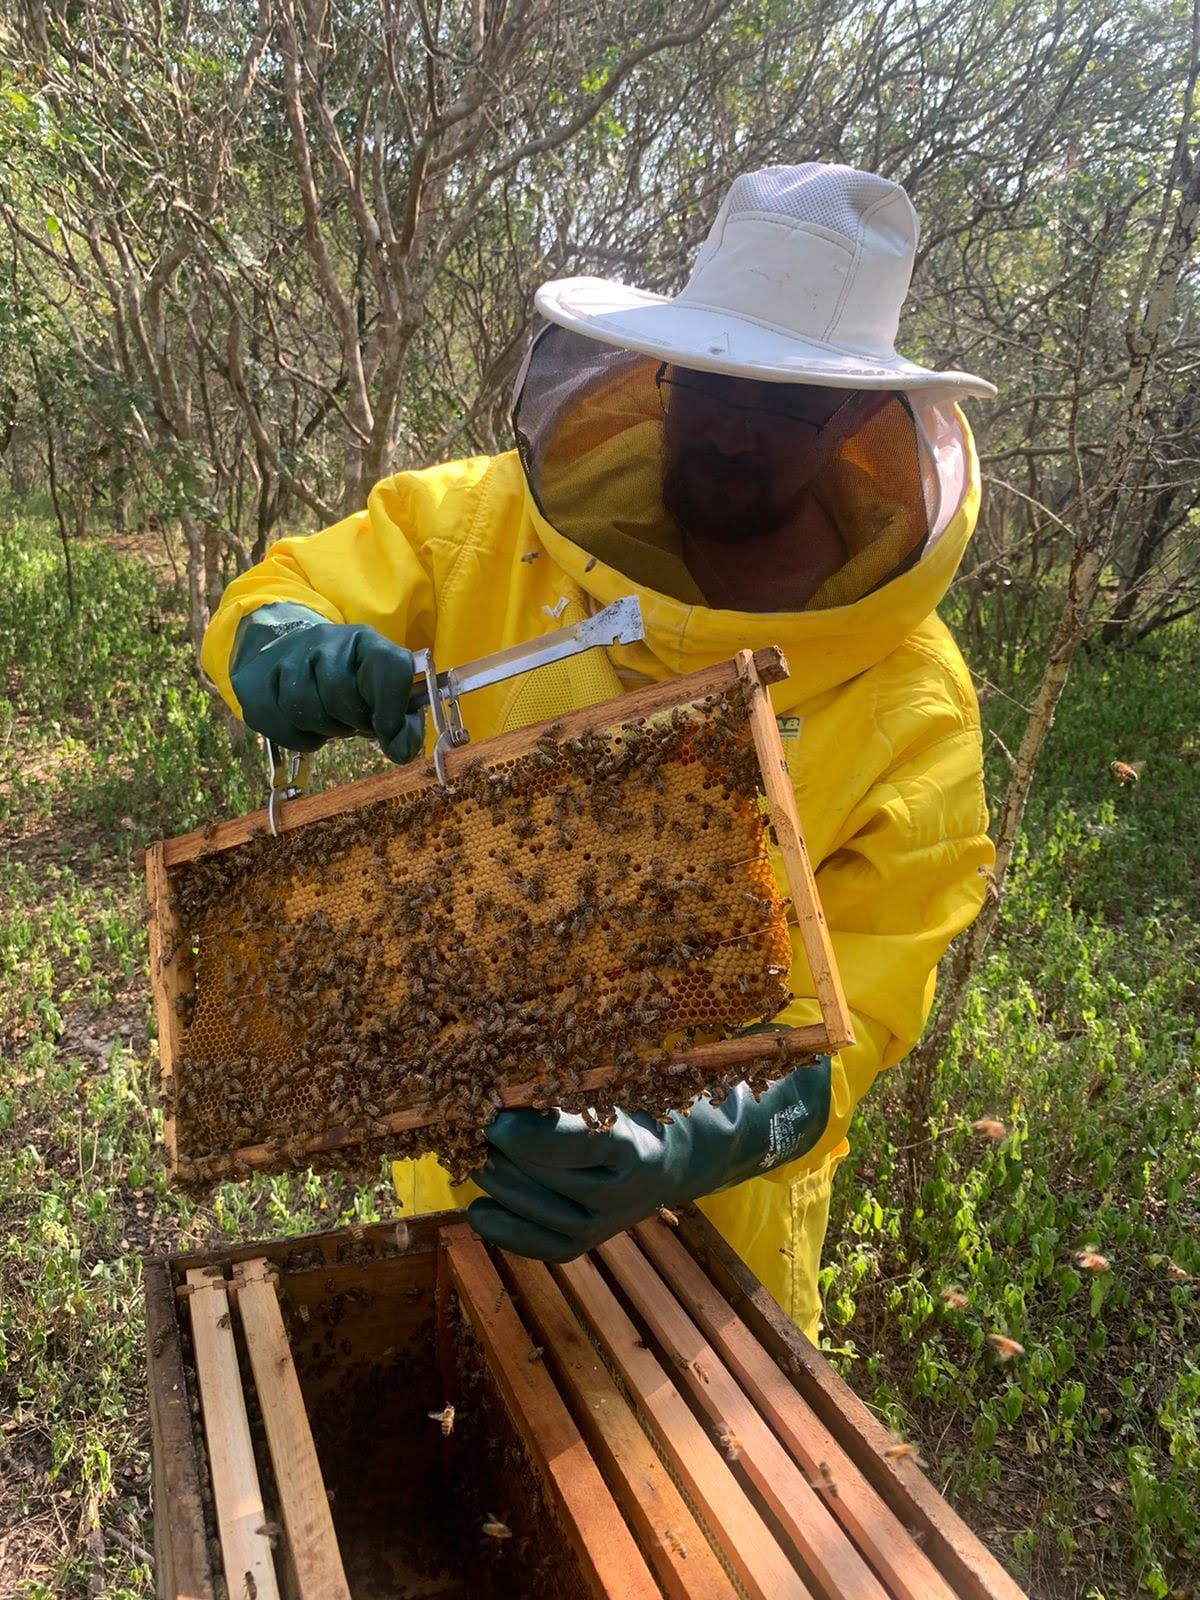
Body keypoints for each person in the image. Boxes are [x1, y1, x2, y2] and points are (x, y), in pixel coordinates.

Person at [201, 164, 996, 1342]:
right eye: (709, 379)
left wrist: (701, 1136)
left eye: (779, 404)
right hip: (467, 1178)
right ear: (661, 368)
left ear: (852, 420)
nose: (728, 428)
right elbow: (287, 587)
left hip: (717, 1250)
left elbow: (871, 1007)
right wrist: (281, 646)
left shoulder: (914, 700)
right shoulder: (486, 529)